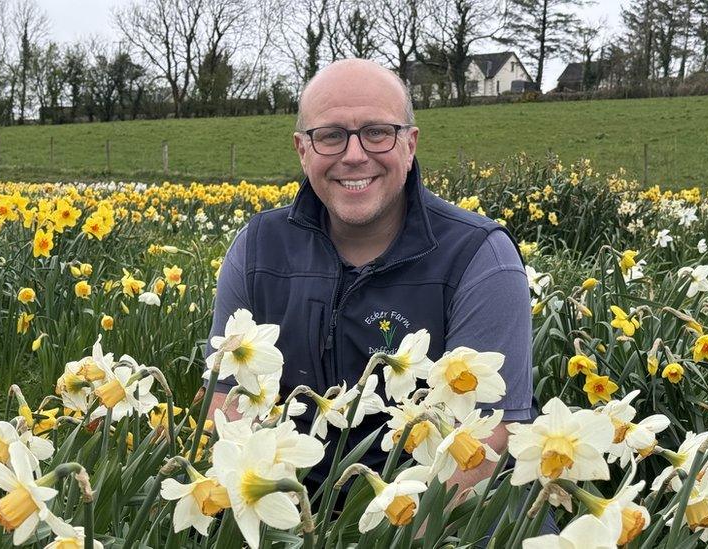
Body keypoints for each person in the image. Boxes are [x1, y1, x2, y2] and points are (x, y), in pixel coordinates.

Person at [204, 58, 533, 503]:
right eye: (331, 135)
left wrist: (383, 531)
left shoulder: (479, 257)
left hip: (429, 518)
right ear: (303, 149)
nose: (354, 155)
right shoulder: (257, 249)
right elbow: (227, 402)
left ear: (410, 143)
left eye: (378, 132)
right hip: (291, 504)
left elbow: (487, 439)